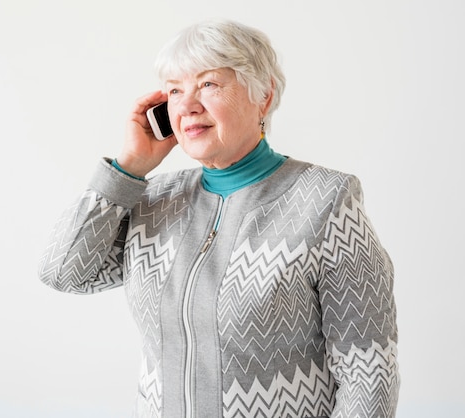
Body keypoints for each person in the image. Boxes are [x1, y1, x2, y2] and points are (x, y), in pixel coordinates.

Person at [38, 18, 399, 418]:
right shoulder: (153, 199)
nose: (188, 104)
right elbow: (65, 273)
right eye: (175, 90)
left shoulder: (325, 199)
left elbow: (368, 371)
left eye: (209, 84)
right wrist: (128, 169)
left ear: (262, 96)